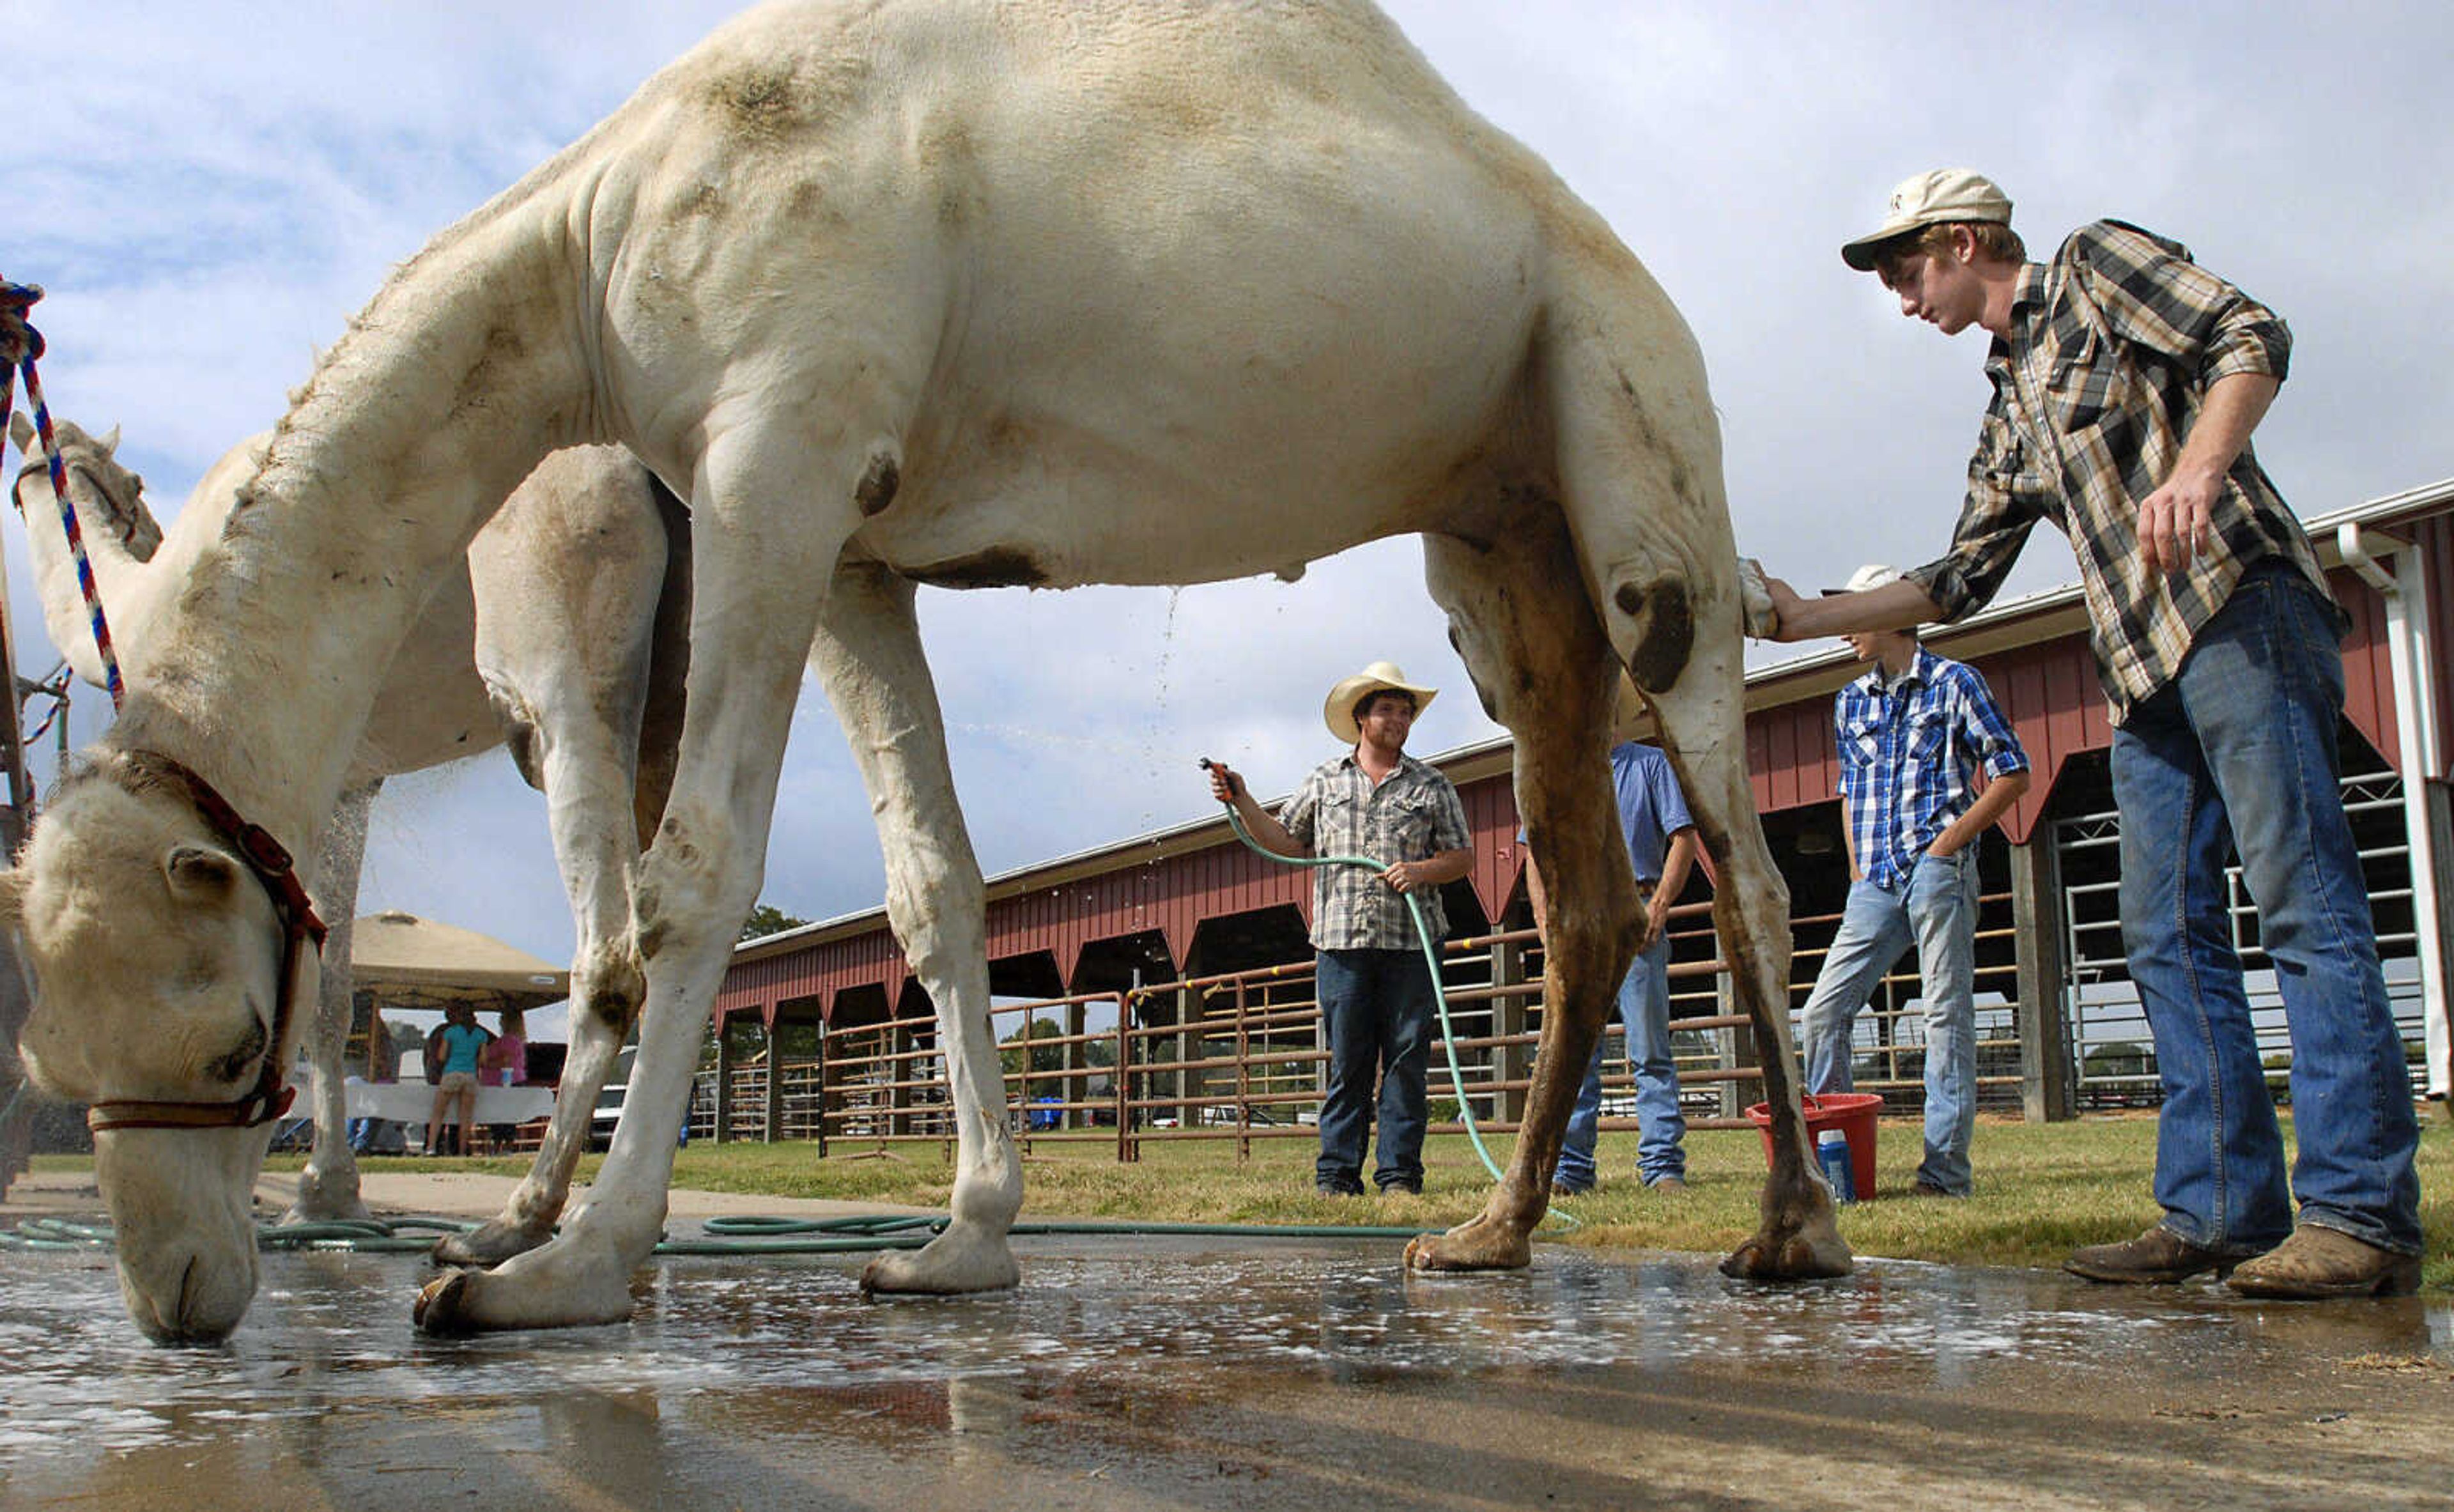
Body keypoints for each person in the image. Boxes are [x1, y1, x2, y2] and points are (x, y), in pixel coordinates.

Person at [1762, 169, 2422, 1296]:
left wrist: (2200, 470)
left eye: (1909, 269)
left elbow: (2249, 332)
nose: (1903, 296)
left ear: (1969, 239)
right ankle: (2217, 1209)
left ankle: (2360, 1217)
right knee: (2162, 933)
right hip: (2141, 676)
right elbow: (1957, 577)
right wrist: (1802, 614)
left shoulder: (2095, 267)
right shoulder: (2007, 401)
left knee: (2305, 902)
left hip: (2238, 611)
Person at [1794, 563, 2030, 1198]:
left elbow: (2013, 771)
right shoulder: (1850, 701)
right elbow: (1849, 791)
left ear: (1890, 616)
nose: (1846, 630)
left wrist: (1950, 841)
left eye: (1855, 615)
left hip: (1937, 869)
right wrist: (1855, 865)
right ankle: (1830, 1158)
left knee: (1946, 1013)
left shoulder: (1956, 683)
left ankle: (1945, 1171)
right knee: (1822, 1011)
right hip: (1874, 878)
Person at [1205, 661, 1474, 1196]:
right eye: (1386, 711)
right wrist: (1242, 797)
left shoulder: (1432, 784)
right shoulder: (1325, 781)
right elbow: (1286, 841)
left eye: (1405, 712)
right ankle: (1336, 1176)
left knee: (1405, 1063)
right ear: (1361, 719)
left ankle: (1399, 1177)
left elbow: (1462, 856)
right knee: (1348, 1064)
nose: (1397, 720)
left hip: (1410, 944)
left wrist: (1421, 871)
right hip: (1341, 944)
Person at [1525, 740, 1698, 1194]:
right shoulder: (1555, 767)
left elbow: (1683, 835)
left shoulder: (1651, 764)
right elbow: (1534, 852)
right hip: (1576, 918)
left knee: (1650, 1049)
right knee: (1577, 1051)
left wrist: (1659, 904)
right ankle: (1571, 1168)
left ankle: (1661, 1167)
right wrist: (1545, 922)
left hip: (1634, 909)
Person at [424, 1001, 491, 1157]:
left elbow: (441, 1056)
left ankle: (431, 1147)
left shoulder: (450, 1032)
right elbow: (483, 1060)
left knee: (438, 1113)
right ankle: (462, 1151)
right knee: (465, 1117)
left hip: (451, 1072)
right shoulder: (481, 1035)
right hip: (470, 1075)